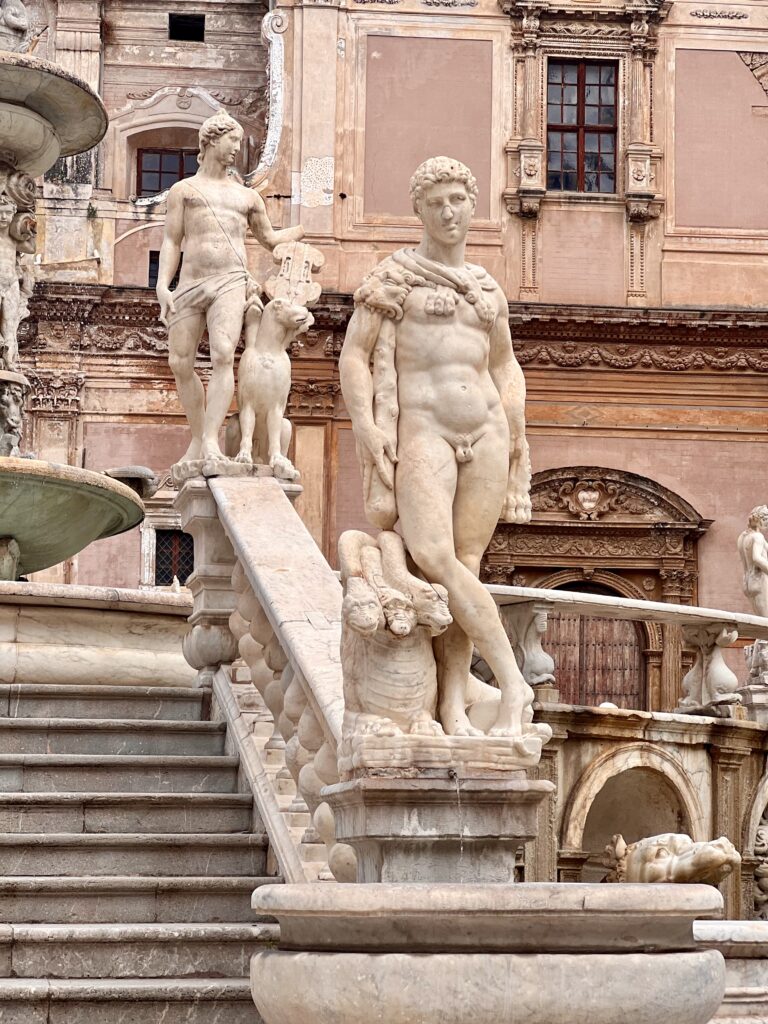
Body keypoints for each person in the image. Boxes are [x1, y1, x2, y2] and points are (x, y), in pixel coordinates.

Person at [339, 156, 533, 737]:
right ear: (418, 210)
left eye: (457, 200)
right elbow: (353, 355)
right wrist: (368, 427)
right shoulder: (394, 278)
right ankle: (512, 680)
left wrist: (520, 438)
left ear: (473, 206)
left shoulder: (486, 289)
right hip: (424, 430)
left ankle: (452, 704)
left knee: (464, 564)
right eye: (436, 202)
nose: (448, 212)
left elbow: (505, 366)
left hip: (489, 432)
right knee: (433, 554)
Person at [157, 109, 303, 462]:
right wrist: (163, 285)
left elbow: (269, 239)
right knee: (180, 362)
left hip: (231, 281)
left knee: (223, 355)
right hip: (191, 282)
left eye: (238, 142)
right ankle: (197, 434)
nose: (237, 148)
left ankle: (209, 440)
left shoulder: (248, 198)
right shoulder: (184, 191)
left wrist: (302, 231)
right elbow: (171, 240)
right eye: (232, 141)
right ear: (211, 140)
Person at [738, 505, 768, 617]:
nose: (767, 523)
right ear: (759, 519)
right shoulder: (758, 537)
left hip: (748, 581)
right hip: (760, 579)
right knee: (766, 623)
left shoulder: (743, 536)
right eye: (765, 519)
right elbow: (756, 558)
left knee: (760, 622)